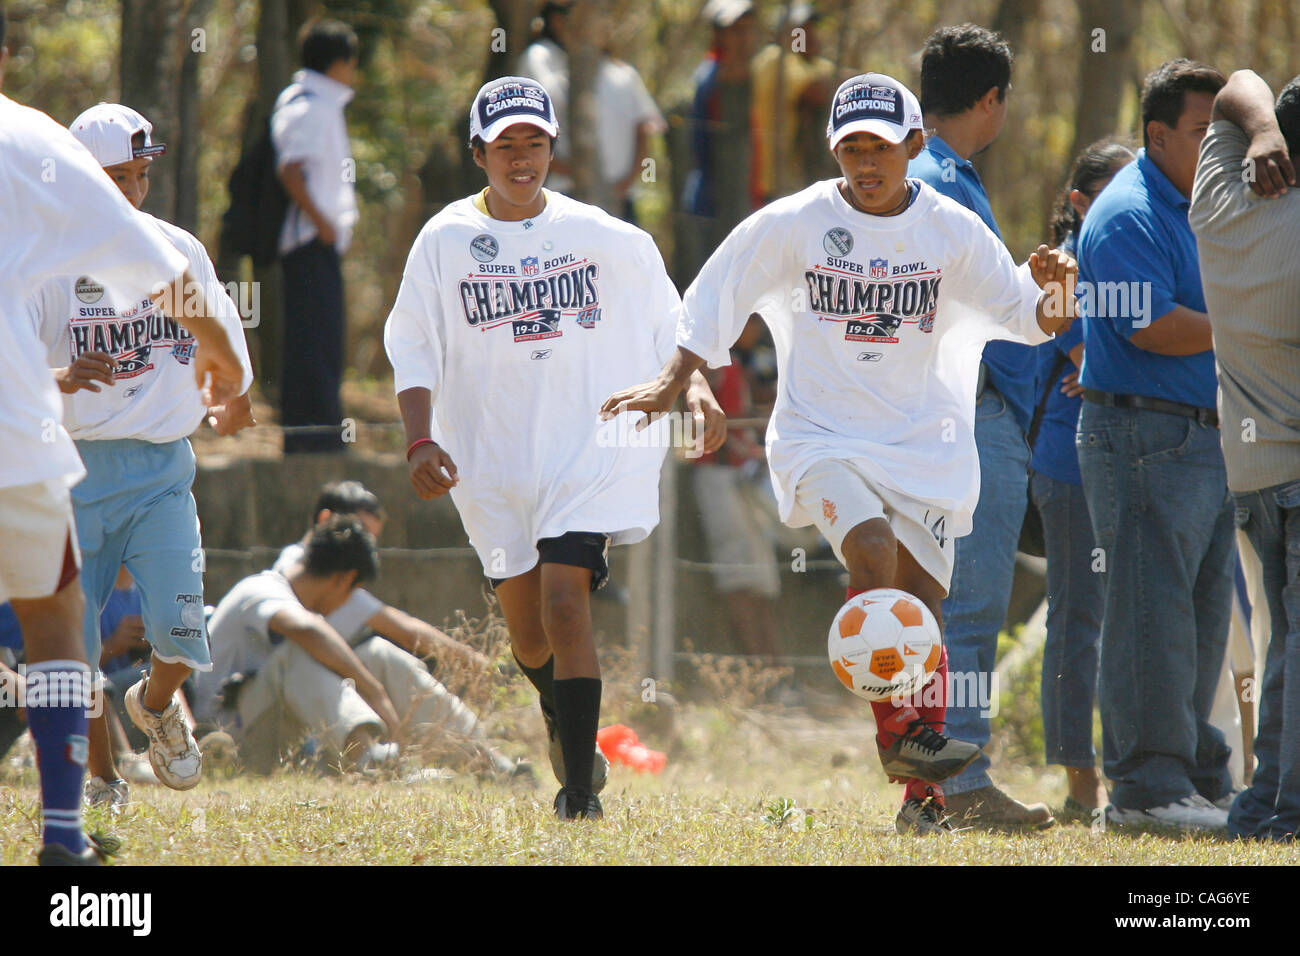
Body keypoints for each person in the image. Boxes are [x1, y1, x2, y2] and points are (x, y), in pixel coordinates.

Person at [602, 73, 1078, 835]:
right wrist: (678, 380)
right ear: (834, 152)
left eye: (881, 147)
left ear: (914, 146)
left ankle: (922, 806)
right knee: (872, 549)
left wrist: (1057, 292)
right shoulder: (795, 223)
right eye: (850, 147)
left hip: (923, 445)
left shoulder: (951, 229)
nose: (866, 162)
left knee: (923, 607)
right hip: (821, 439)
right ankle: (902, 740)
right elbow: (714, 292)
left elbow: (1028, 320)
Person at [384, 76, 724, 820]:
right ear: (478, 153)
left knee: (567, 605)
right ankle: (559, 718)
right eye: (505, 144)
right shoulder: (444, 241)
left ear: (552, 149)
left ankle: (578, 792)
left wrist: (694, 390)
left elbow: (671, 316)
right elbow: (412, 345)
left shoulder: (602, 235)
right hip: (492, 457)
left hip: (584, 444)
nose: (521, 158)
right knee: (529, 635)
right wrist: (418, 439)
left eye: (534, 142)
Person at [0, 3, 245, 865]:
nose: (132, 189)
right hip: (41, 446)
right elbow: (139, 274)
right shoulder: (34, 156)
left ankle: (141, 720)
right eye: (121, 175)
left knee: (154, 627)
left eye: (143, 172)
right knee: (58, 629)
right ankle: (76, 815)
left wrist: (224, 368)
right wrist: (214, 349)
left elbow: (174, 277)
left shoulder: (163, 235)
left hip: (137, 462)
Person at [1076, 59, 1234, 831]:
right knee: (1151, 613)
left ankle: (1192, 775)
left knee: (1199, 617)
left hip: (1200, 439)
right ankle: (1144, 790)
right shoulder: (1128, 212)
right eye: (1205, 133)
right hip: (1140, 436)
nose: (1217, 148)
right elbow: (1150, 324)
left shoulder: (1199, 205)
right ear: (1158, 133)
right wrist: (1253, 330)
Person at [907, 23, 1052, 829]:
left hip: (927, 419)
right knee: (967, 611)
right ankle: (959, 785)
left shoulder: (914, 173)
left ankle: (928, 790)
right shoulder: (950, 183)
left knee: (932, 611)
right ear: (990, 100)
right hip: (973, 415)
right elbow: (998, 329)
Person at [1189, 68, 1300, 841]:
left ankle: (1264, 801)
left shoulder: (1218, 206)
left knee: (1284, 641)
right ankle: (1287, 808)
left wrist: (1260, 129)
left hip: (1252, 475)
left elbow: (1239, 83)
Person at [1034, 140, 1135, 817]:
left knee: (1128, 618)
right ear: (1078, 201)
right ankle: (1080, 782)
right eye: (1111, 192)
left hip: (1127, 454)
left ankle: (1147, 771)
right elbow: (1099, 352)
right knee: (1077, 619)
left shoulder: (1129, 250)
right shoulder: (1061, 268)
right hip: (1069, 463)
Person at [273, 481, 492, 676]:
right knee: (379, 655)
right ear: (326, 520)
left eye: (372, 539)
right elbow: (406, 631)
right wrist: (482, 665)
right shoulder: (299, 568)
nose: (367, 548)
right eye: (360, 532)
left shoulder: (315, 570)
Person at [273, 18, 359, 453]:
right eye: (351, 60)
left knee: (322, 340)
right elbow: (291, 169)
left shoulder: (315, 102)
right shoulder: (310, 105)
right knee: (314, 343)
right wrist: (323, 222)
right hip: (309, 243)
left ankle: (320, 432)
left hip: (317, 243)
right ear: (339, 62)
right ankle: (313, 437)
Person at [516, 0, 666, 220]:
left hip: (620, 198)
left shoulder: (623, 73)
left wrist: (625, 183)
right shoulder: (539, 59)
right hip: (565, 194)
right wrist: (571, 172)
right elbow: (526, 124)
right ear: (555, 20)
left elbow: (644, 129)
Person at [678, 0, 760, 278]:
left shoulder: (755, 74)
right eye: (735, 31)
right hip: (715, 203)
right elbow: (703, 148)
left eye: (747, 30)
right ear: (719, 35)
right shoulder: (711, 80)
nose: (744, 38)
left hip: (746, 199)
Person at [750, 2, 836, 203]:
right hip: (771, 181)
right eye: (801, 31)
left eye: (812, 29)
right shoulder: (774, 60)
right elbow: (816, 90)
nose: (810, 36)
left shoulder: (815, 64)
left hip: (802, 178)